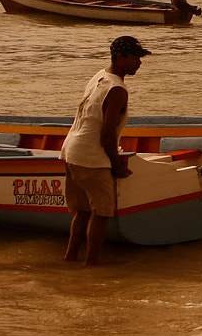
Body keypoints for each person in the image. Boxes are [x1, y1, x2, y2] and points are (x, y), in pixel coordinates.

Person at [62, 34, 149, 266]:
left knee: (82, 211)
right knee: (101, 213)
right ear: (120, 57)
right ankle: (91, 264)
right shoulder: (118, 90)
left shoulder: (100, 76)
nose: (139, 63)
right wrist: (116, 164)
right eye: (135, 58)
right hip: (91, 157)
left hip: (71, 151)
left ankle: (70, 258)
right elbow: (107, 135)